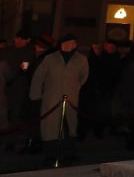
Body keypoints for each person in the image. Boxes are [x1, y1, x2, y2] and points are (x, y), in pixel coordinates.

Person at [29, 33, 89, 164]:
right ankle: (50, 154)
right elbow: (38, 77)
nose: (68, 46)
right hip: (52, 98)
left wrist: (75, 87)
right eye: (65, 43)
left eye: (71, 43)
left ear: (75, 45)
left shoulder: (81, 59)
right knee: (50, 127)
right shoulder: (50, 59)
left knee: (70, 126)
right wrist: (36, 95)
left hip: (71, 98)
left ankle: (69, 152)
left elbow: (84, 76)